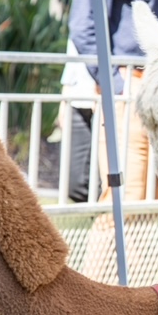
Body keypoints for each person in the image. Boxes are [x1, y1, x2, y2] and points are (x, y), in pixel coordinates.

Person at [68, 0, 158, 201]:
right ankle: (109, 239)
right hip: (131, 85)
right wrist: (117, 84)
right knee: (125, 196)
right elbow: (83, 26)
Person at [57, 38, 100, 203]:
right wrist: (64, 98)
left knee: (107, 176)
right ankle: (100, 217)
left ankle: (106, 221)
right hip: (77, 98)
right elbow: (73, 55)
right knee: (73, 182)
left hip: (109, 99)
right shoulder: (80, 18)